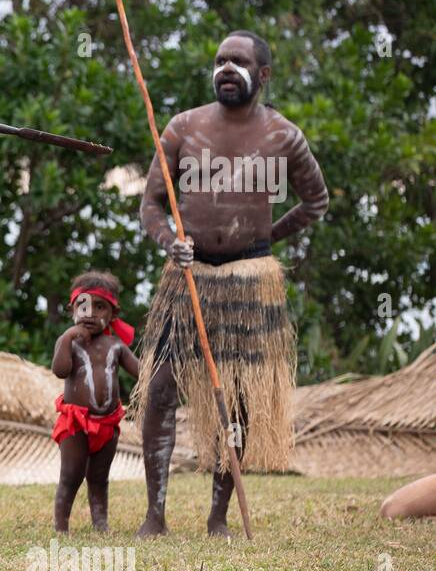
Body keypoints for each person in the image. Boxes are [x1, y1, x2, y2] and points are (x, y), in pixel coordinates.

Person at [132, 31, 329, 537]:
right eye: (220, 60)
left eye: (238, 62)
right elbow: (150, 203)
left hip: (249, 278)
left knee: (237, 398)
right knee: (159, 390)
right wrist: (170, 240)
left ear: (262, 76)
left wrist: (266, 239)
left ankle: (218, 516)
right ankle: (155, 513)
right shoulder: (183, 127)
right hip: (188, 277)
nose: (225, 68)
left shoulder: (283, 135)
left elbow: (315, 202)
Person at [50, 271, 138, 532]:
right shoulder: (70, 342)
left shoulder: (115, 345)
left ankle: (100, 523)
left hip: (107, 424)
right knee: (71, 475)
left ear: (113, 314)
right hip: (76, 423)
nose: (90, 313)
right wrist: (67, 338)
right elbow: (60, 370)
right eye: (84, 305)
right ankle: (61, 525)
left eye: (100, 307)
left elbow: (142, 373)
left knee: (99, 477)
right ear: (72, 309)